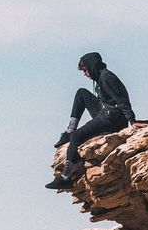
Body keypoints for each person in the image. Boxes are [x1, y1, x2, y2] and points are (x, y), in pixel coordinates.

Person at [46, 52, 137, 190]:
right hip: (104, 110)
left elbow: (122, 100)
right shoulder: (99, 77)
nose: (85, 74)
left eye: (85, 70)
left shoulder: (107, 78)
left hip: (111, 119)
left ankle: (65, 178)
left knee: (76, 136)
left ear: (91, 67)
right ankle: (69, 131)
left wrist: (132, 121)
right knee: (81, 93)